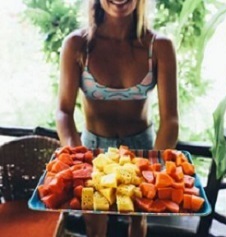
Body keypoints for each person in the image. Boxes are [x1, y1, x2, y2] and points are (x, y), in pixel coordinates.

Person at [56, 0, 179, 236]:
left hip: (142, 151)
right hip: (91, 150)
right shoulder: (77, 44)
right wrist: (76, 157)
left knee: (137, 218)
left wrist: (152, 165)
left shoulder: (160, 47)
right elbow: (63, 111)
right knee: (94, 224)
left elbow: (171, 119)